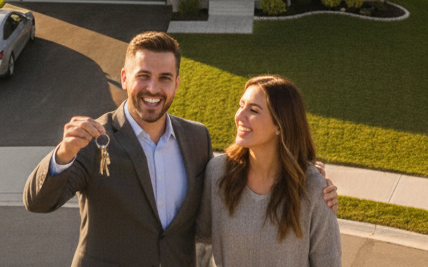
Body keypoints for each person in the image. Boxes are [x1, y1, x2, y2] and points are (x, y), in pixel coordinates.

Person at [24, 32, 337, 267]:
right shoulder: (96, 138)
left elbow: (202, 228)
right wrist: (63, 154)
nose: (153, 88)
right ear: (124, 78)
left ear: (176, 84)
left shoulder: (197, 139)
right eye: (143, 76)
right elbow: (38, 202)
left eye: (164, 78)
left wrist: (308, 177)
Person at [197, 75, 339, 267]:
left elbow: (327, 261)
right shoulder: (218, 173)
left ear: (280, 125)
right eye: (241, 105)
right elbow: (201, 241)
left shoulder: (313, 187)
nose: (240, 116)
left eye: (253, 110)